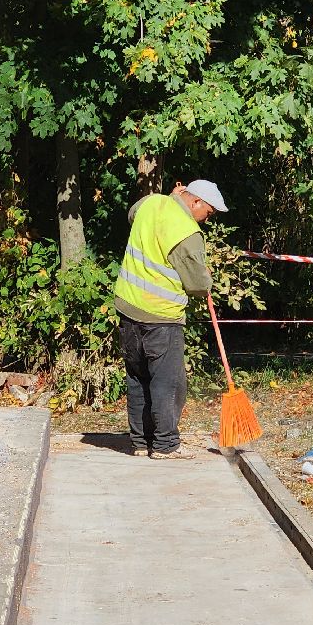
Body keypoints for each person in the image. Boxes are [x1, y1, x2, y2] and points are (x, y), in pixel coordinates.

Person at [113, 178, 228, 459]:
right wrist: (206, 279)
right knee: (168, 382)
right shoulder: (186, 231)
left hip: (128, 308)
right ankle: (165, 445)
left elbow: (132, 213)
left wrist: (169, 196)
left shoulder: (152, 203)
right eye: (208, 213)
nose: (207, 220)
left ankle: (141, 443)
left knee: (137, 378)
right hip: (161, 317)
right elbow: (198, 285)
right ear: (195, 201)